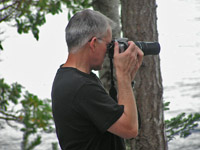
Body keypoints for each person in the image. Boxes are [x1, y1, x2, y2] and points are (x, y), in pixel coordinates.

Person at [51, 9, 144, 150]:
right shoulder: (82, 87)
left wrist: (127, 79)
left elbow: (119, 120)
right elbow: (130, 129)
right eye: (108, 45)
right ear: (93, 43)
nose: (109, 52)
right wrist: (123, 77)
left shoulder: (67, 77)